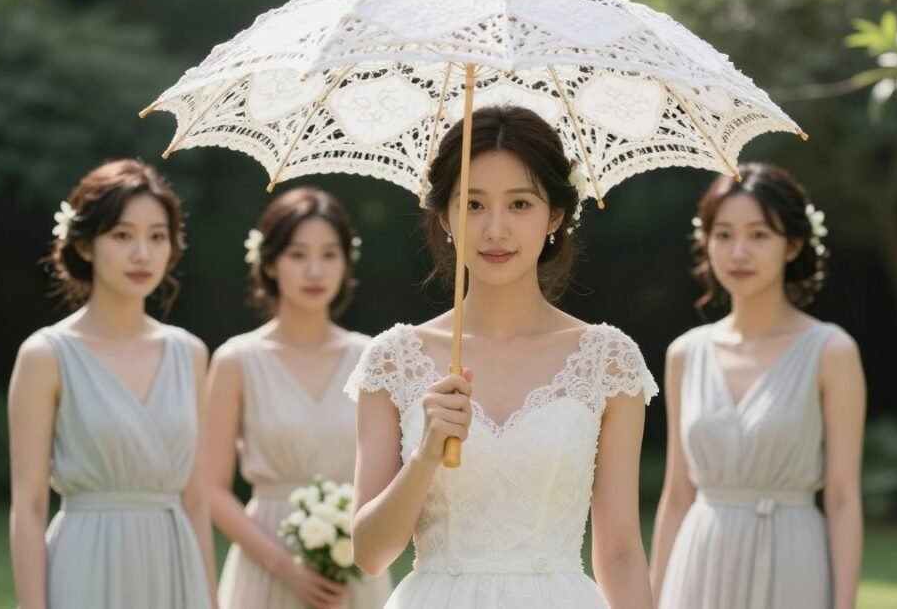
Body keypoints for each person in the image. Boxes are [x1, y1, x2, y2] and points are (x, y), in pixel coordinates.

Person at [346, 105, 658, 609]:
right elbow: (370, 553)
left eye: (519, 204)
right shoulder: (394, 359)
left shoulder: (608, 360)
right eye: (472, 204)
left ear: (555, 215)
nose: (494, 230)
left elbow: (620, 552)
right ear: (444, 214)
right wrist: (426, 452)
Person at [649, 162, 866, 609]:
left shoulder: (831, 351)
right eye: (723, 235)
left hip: (793, 559)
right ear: (705, 242)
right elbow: (676, 494)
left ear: (793, 245)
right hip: (700, 562)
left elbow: (843, 498)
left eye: (759, 234)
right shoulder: (685, 354)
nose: (738, 252)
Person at [8, 159, 216, 609]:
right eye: (122, 235)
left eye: (157, 236)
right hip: (85, 561)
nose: (142, 253)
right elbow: (27, 505)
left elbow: (197, 500)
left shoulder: (190, 354)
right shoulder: (46, 355)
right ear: (84, 245)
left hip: (174, 564)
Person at [209, 187, 392, 609]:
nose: (315, 270)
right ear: (269, 262)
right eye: (297, 254)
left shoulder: (373, 358)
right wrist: (284, 565)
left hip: (352, 565)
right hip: (264, 563)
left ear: (347, 263)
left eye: (329, 255)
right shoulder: (237, 360)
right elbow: (211, 490)